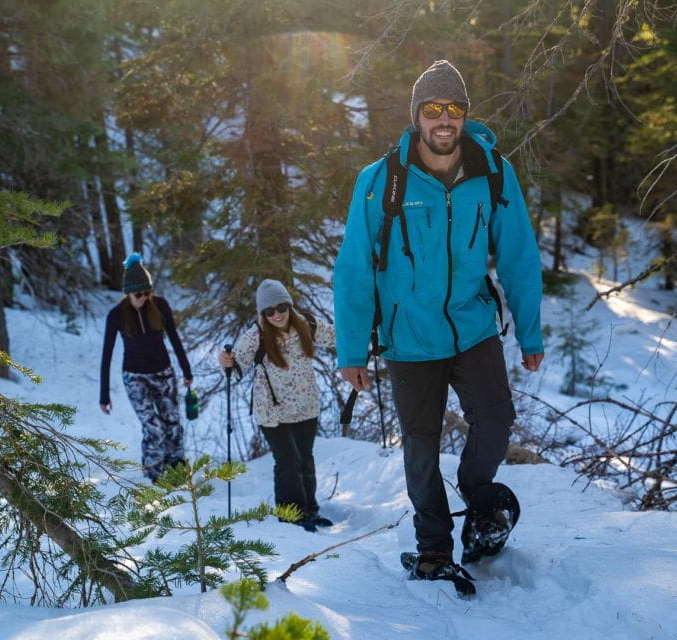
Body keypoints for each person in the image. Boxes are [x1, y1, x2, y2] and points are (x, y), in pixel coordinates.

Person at [333, 60, 544, 590]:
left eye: (454, 108)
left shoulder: (492, 172)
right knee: (421, 448)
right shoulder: (380, 181)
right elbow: (355, 268)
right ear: (417, 116)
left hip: (473, 326)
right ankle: (433, 549)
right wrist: (352, 350)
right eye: (432, 109)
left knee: (496, 420)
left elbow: (518, 254)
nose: (444, 119)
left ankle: (478, 498)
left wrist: (530, 331)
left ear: (464, 114)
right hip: (409, 336)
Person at [218, 279, 336, 532]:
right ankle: (290, 514)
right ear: (263, 313)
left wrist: (361, 329)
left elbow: (335, 336)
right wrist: (226, 361)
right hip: (272, 411)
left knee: (305, 458)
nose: (277, 315)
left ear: (289, 306)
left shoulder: (307, 323)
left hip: (305, 406)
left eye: (281, 308)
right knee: (288, 461)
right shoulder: (256, 334)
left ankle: (309, 510)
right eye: (269, 311)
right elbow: (237, 366)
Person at [100, 253, 193, 483]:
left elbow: (174, 338)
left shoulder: (160, 305)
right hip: (135, 378)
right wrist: (104, 395)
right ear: (128, 293)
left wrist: (186, 371)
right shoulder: (116, 315)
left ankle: (177, 468)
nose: (143, 298)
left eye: (146, 292)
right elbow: (106, 355)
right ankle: (154, 472)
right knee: (154, 427)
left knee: (172, 423)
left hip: (163, 373)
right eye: (138, 294)